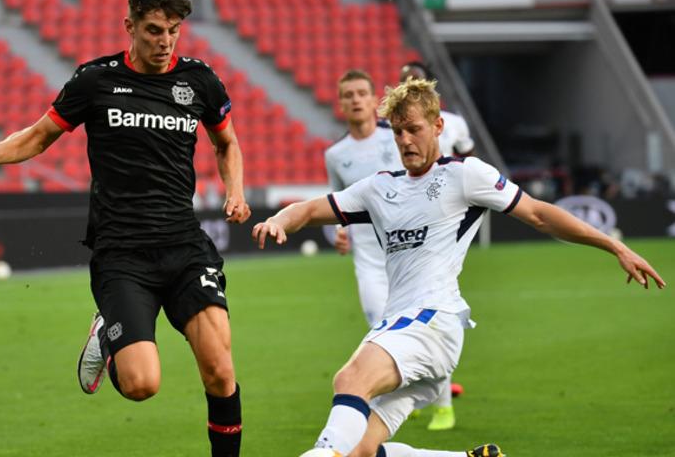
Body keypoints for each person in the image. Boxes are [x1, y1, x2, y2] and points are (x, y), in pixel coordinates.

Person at [252, 78, 665, 457]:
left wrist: (613, 245)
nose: (405, 140)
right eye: (398, 132)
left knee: (349, 380)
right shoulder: (380, 187)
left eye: (414, 129)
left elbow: (539, 214)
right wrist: (278, 220)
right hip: (408, 329)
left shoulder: (464, 176)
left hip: (432, 322)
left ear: (436, 127)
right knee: (361, 450)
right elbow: (308, 209)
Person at [0, 0, 250, 455]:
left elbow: (227, 142)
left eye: (174, 30)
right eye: (154, 30)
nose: (165, 41)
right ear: (129, 25)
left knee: (220, 371)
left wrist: (234, 191)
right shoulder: (95, 80)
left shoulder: (199, 80)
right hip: (123, 255)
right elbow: (39, 135)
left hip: (184, 247)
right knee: (141, 385)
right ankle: (108, 334)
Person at [399, 61, 472, 430]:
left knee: (432, 317)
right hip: (397, 238)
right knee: (390, 318)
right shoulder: (391, 130)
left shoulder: (454, 123)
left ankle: (441, 404)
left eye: (413, 78)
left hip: (442, 223)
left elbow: (468, 159)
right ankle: (410, 391)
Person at [324, 69, 401, 327]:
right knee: (382, 333)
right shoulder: (335, 155)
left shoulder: (398, 137)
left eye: (361, 94)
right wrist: (339, 230)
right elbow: (336, 202)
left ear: (373, 100)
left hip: (409, 253)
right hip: (369, 262)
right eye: (348, 95)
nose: (355, 100)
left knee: (422, 335)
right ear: (341, 104)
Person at [400, 61, 474, 158]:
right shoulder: (389, 125)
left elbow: (467, 158)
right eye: (404, 80)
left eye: (415, 79)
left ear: (428, 85)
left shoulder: (454, 122)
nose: (409, 85)